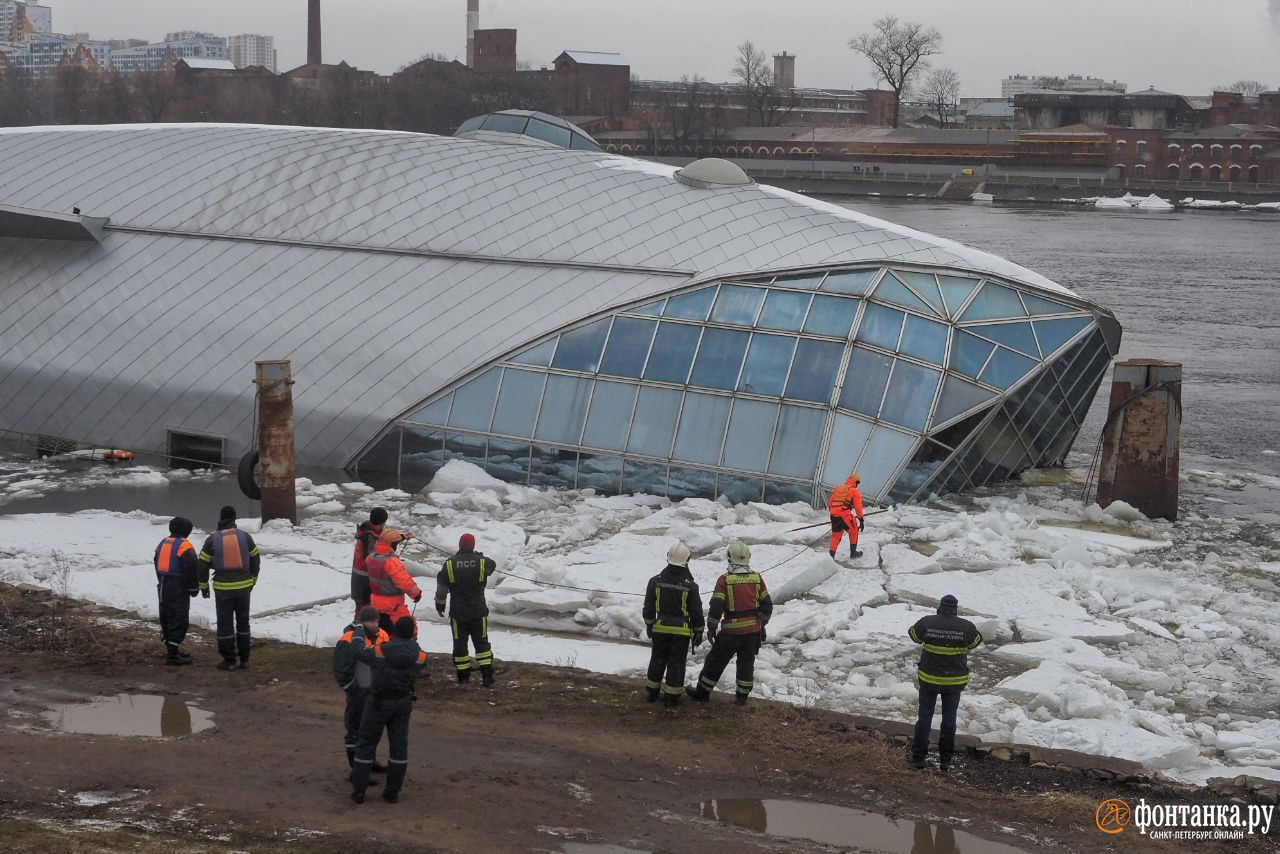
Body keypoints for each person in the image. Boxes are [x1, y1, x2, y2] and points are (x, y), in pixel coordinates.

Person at [350, 615, 428, 805]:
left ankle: (359, 791)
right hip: (402, 703)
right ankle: (393, 791)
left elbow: (358, 652)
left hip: (378, 702)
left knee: (366, 743)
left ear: (394, 631)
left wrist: (359, 633)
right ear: (413, 633)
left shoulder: (380, 651)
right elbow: (417, 662)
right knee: (399, 747)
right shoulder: (420, 656)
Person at [687, 541, 772, 707]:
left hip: (731, 633)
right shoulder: (757, 578)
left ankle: (702, 693)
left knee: (715, 662)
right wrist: (761, 625)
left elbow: (716, 607)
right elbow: (767, 606)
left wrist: (711, 629)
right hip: (752, 632)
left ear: (729, 558)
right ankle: (742, 698)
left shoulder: (724, 580)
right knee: (746, 664)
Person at [907, 594, 983, 772]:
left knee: (925, 717)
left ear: (940, 607)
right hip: (954, 681)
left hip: (929, 679)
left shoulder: (927, 621)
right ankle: (946, 760)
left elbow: (914, 636)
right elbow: (976, 642)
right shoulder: (966, 626)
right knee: (949, 720)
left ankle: (919, 757)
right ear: (956, 609)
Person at [197, 505, 261, 671]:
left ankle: (229, 660)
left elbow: (202, 565)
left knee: (225, 624)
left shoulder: (212, 539)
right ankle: (245, 659)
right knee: (243, 622)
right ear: (234, 519)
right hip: (244, 588)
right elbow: (255, 559)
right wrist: (253, 579)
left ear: (220, 518)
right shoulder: (245, 537)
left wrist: (203, 587)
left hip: (223, 589)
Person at [642, 542, 704, 707]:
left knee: (657, 659)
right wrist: (699, 631)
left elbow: (648, 607)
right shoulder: (691, 586)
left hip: (660, 628)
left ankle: (652, 692)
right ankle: (672, 697)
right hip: (681, 632)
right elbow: (696, 611)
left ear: (668, 558)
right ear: (686, 560)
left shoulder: (655, 581)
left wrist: (649, 625)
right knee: (676, 663)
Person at [435, 533, 496, 687]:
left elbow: (442, 589)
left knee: (460, 643)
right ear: (473, 546)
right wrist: (476, 556)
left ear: (460, 545)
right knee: (481, 642)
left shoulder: (449, 564)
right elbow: (492, 565)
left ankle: (463, 676)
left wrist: (440, 604)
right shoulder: (482, 562)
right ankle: (487, 676)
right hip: (478, 610)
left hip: (458, 611)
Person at [334, 605, 390, 771]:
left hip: (376, 693)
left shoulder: (382, 635)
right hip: (358, 694)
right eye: (371, 621)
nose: (374, 624)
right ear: (362, 622)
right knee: (354, 730)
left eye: (376, 620)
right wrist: (352, 689)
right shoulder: (348, 638)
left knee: (372, 730)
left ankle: (369, 762)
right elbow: (341, 669)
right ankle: (356, 769)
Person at [153, 516, 199, 665]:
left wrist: (162, 580)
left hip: (163, 585)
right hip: (178, 586)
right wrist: (194, 587)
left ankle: (171, 649)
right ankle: (173, 655)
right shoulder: (184, 546)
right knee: (179, 618)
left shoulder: (162, 543)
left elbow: (157, 562)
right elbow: (191, 568)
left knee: (166, 616)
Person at [367, 528, 421, 638]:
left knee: (382, 632)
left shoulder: (371, 558)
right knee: (409, 629)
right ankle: (403, 650)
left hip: (375, 602)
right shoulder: (391, 561)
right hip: (392, 605)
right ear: (392, 545)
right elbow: (404, 581)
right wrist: (416, 593)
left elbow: (387, 541)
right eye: (396, 543)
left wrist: (403, 536)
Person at [350, 508, 388, 617]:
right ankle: (356, 632)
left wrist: (401, 537)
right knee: (363, 615)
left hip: (360, 581)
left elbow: (384, 537)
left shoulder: (367, 530)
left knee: (363, 613)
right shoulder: (370, 538)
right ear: (382, 522)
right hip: (363, 584)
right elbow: (372, 560)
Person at [828, 472, 865, 560]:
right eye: (857, 483)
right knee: (854, 531)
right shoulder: (854, 491)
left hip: (833, 515)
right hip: (844, 514)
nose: (857, 485)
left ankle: (831, 557)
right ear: (855, 482)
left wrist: (834, 513)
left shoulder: (838, 488)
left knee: (835, 535)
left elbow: (831, 502)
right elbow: (858, 507)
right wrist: (861, 520)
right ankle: (853, 553)